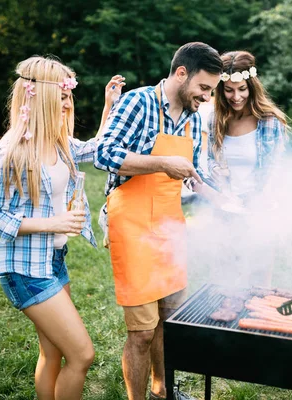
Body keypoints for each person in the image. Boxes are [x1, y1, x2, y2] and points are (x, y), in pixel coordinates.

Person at [0, 56, 123, 400]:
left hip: (52, 263)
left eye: (69, 95)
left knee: (53, 352)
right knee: (82, 355)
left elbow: (94, 147)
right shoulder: (12, 152)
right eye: (62, 96)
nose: (68, 102)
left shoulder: (58, 142)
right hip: (24, 270)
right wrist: (51, 223)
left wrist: (109, 108)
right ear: (39, 98)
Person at [94, 42, 222, 400]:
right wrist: (163, 163)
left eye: (211, 91)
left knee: (170, 319)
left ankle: (162, 391)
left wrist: (224, 200)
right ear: (181, 73)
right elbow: (105, 154)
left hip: (169, 224)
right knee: (142, 331)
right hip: (132, 223)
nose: (207, 98)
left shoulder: (195, 120)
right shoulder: (138, 102)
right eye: (203, 88)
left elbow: (196, 174)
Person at [206, 50, 288, 287]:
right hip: (227, 206)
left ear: (252, 86)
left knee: (257, 277)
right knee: (225, 277)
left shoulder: (269, 121)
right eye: (229, 90)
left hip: (261, 207)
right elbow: (209, 159)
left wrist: (260, 202)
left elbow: (276, 168)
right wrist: (215, 170)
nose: (236, 96)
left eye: (242, 89)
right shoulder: (216, 120)